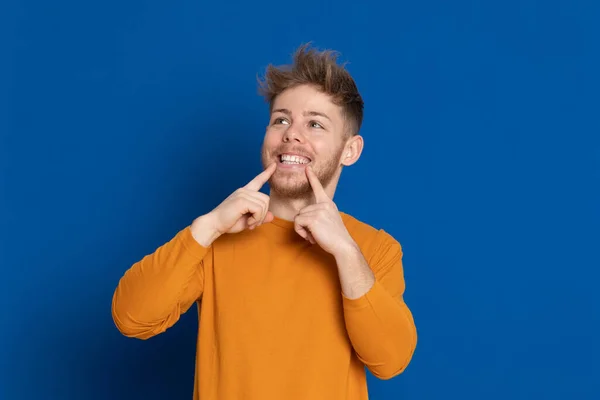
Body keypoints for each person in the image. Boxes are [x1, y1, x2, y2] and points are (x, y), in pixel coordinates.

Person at [112, 43, 417, 400]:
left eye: (315, 123)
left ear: (350, 150)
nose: (292, 134)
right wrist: (208, 226)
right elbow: (131, 317)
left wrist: (346, 252)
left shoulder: (374, 249)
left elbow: (391, 360)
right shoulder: (215, 240)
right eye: (281, 120)